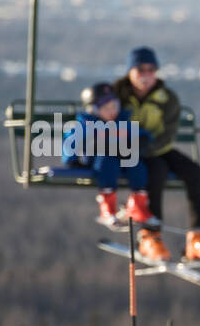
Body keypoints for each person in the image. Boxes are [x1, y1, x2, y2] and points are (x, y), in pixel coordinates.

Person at [112, 46, 200, 263]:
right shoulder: (116, 96)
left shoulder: (166, 98)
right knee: (156, 172)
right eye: (140, 69)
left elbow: (168, 133)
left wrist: (148, 148)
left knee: (192, 171)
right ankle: (150, 235)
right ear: (130, 71)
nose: (146, 75)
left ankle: (198, 235)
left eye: (151, 69)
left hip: (157, 149)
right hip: (125, 152)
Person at [62, 82, 153, 228]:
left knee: (136, 165)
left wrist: (143, 139)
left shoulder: (121, 122)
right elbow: (71, 141)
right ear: (94, 110)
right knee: (108, 161)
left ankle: (138, 205)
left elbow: (137, 132)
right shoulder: (87, 125)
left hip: (121, 157)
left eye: (114, 107)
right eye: (106, 108)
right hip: (98, 159)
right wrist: (71, 160)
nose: (112, 111)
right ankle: (108, 209)